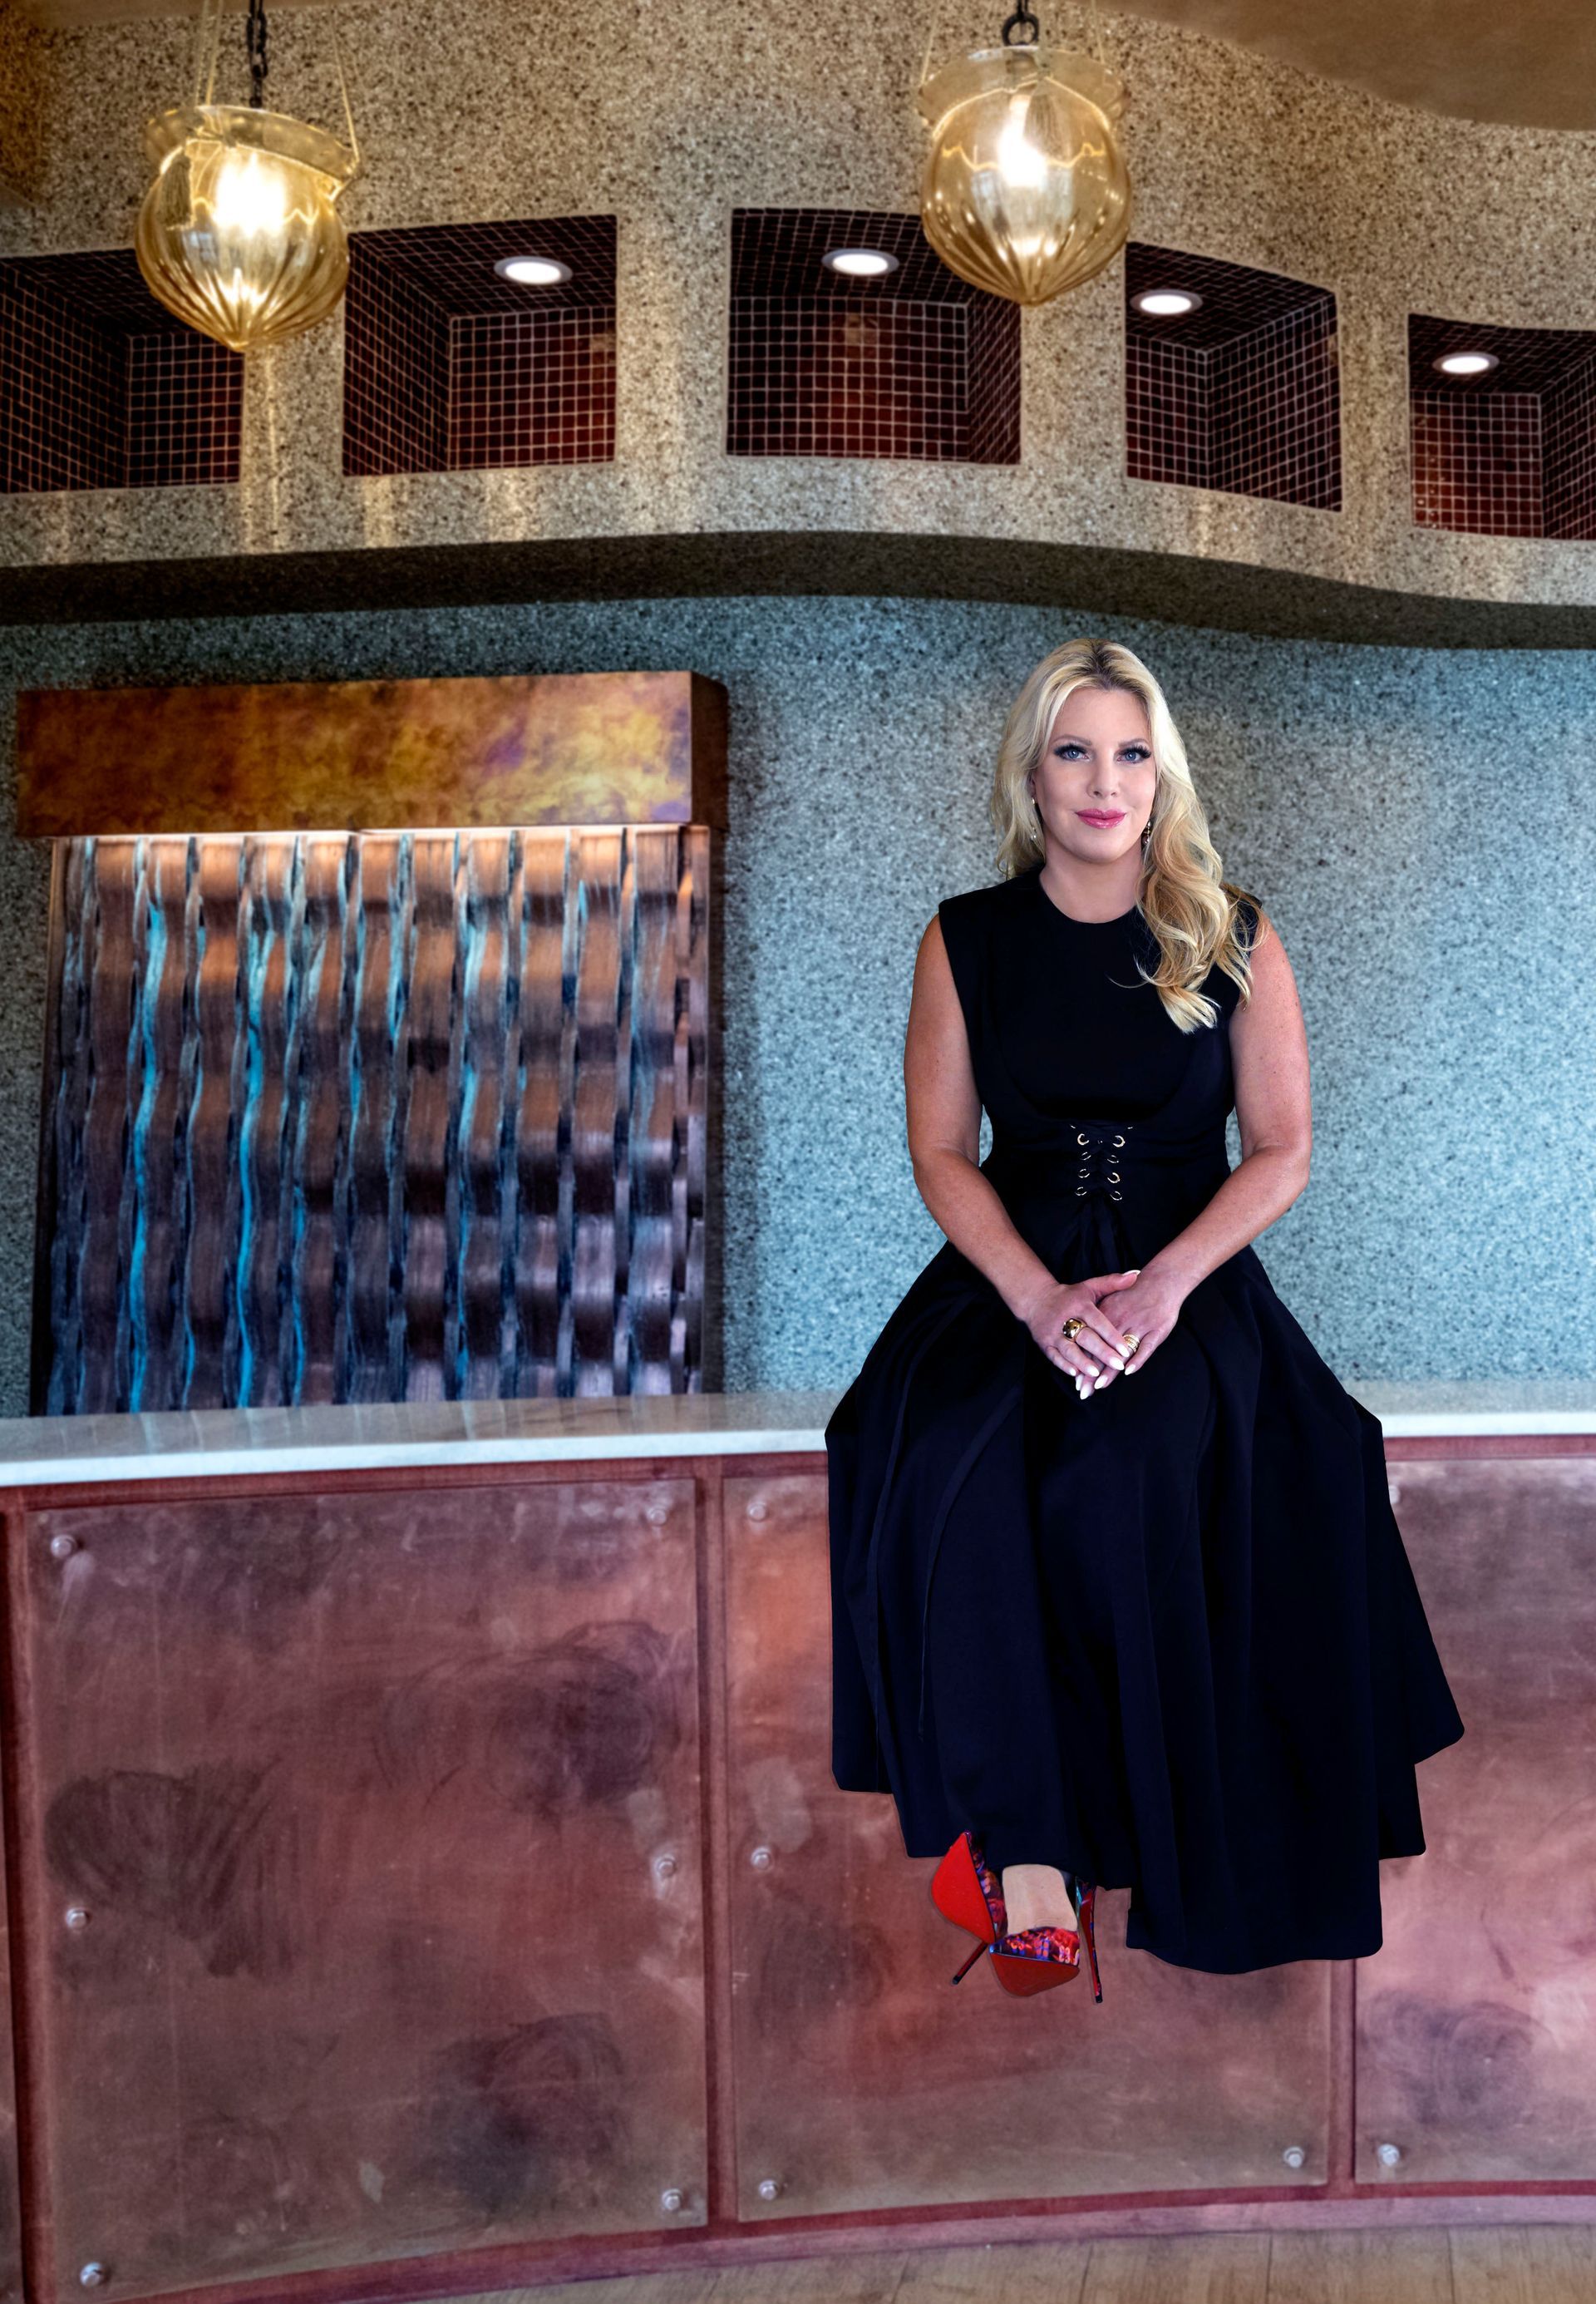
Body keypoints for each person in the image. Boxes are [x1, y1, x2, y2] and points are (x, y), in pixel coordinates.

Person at [825, 635, 1465, 1995]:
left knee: (1136, 1476)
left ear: (1161, 773)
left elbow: (1282, 1147)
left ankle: (1149, 1844)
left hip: (1188, 1278)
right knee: (944, 1464)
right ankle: (1028, 1855)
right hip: (1013, 1274)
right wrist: (1043, 1300)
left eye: (1130, 751)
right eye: (1073, 751)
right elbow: (941, 1151)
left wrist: (1167, 1285)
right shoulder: (966, 938)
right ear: (1033, 777)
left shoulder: (1230, 928)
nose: (1104, 781)